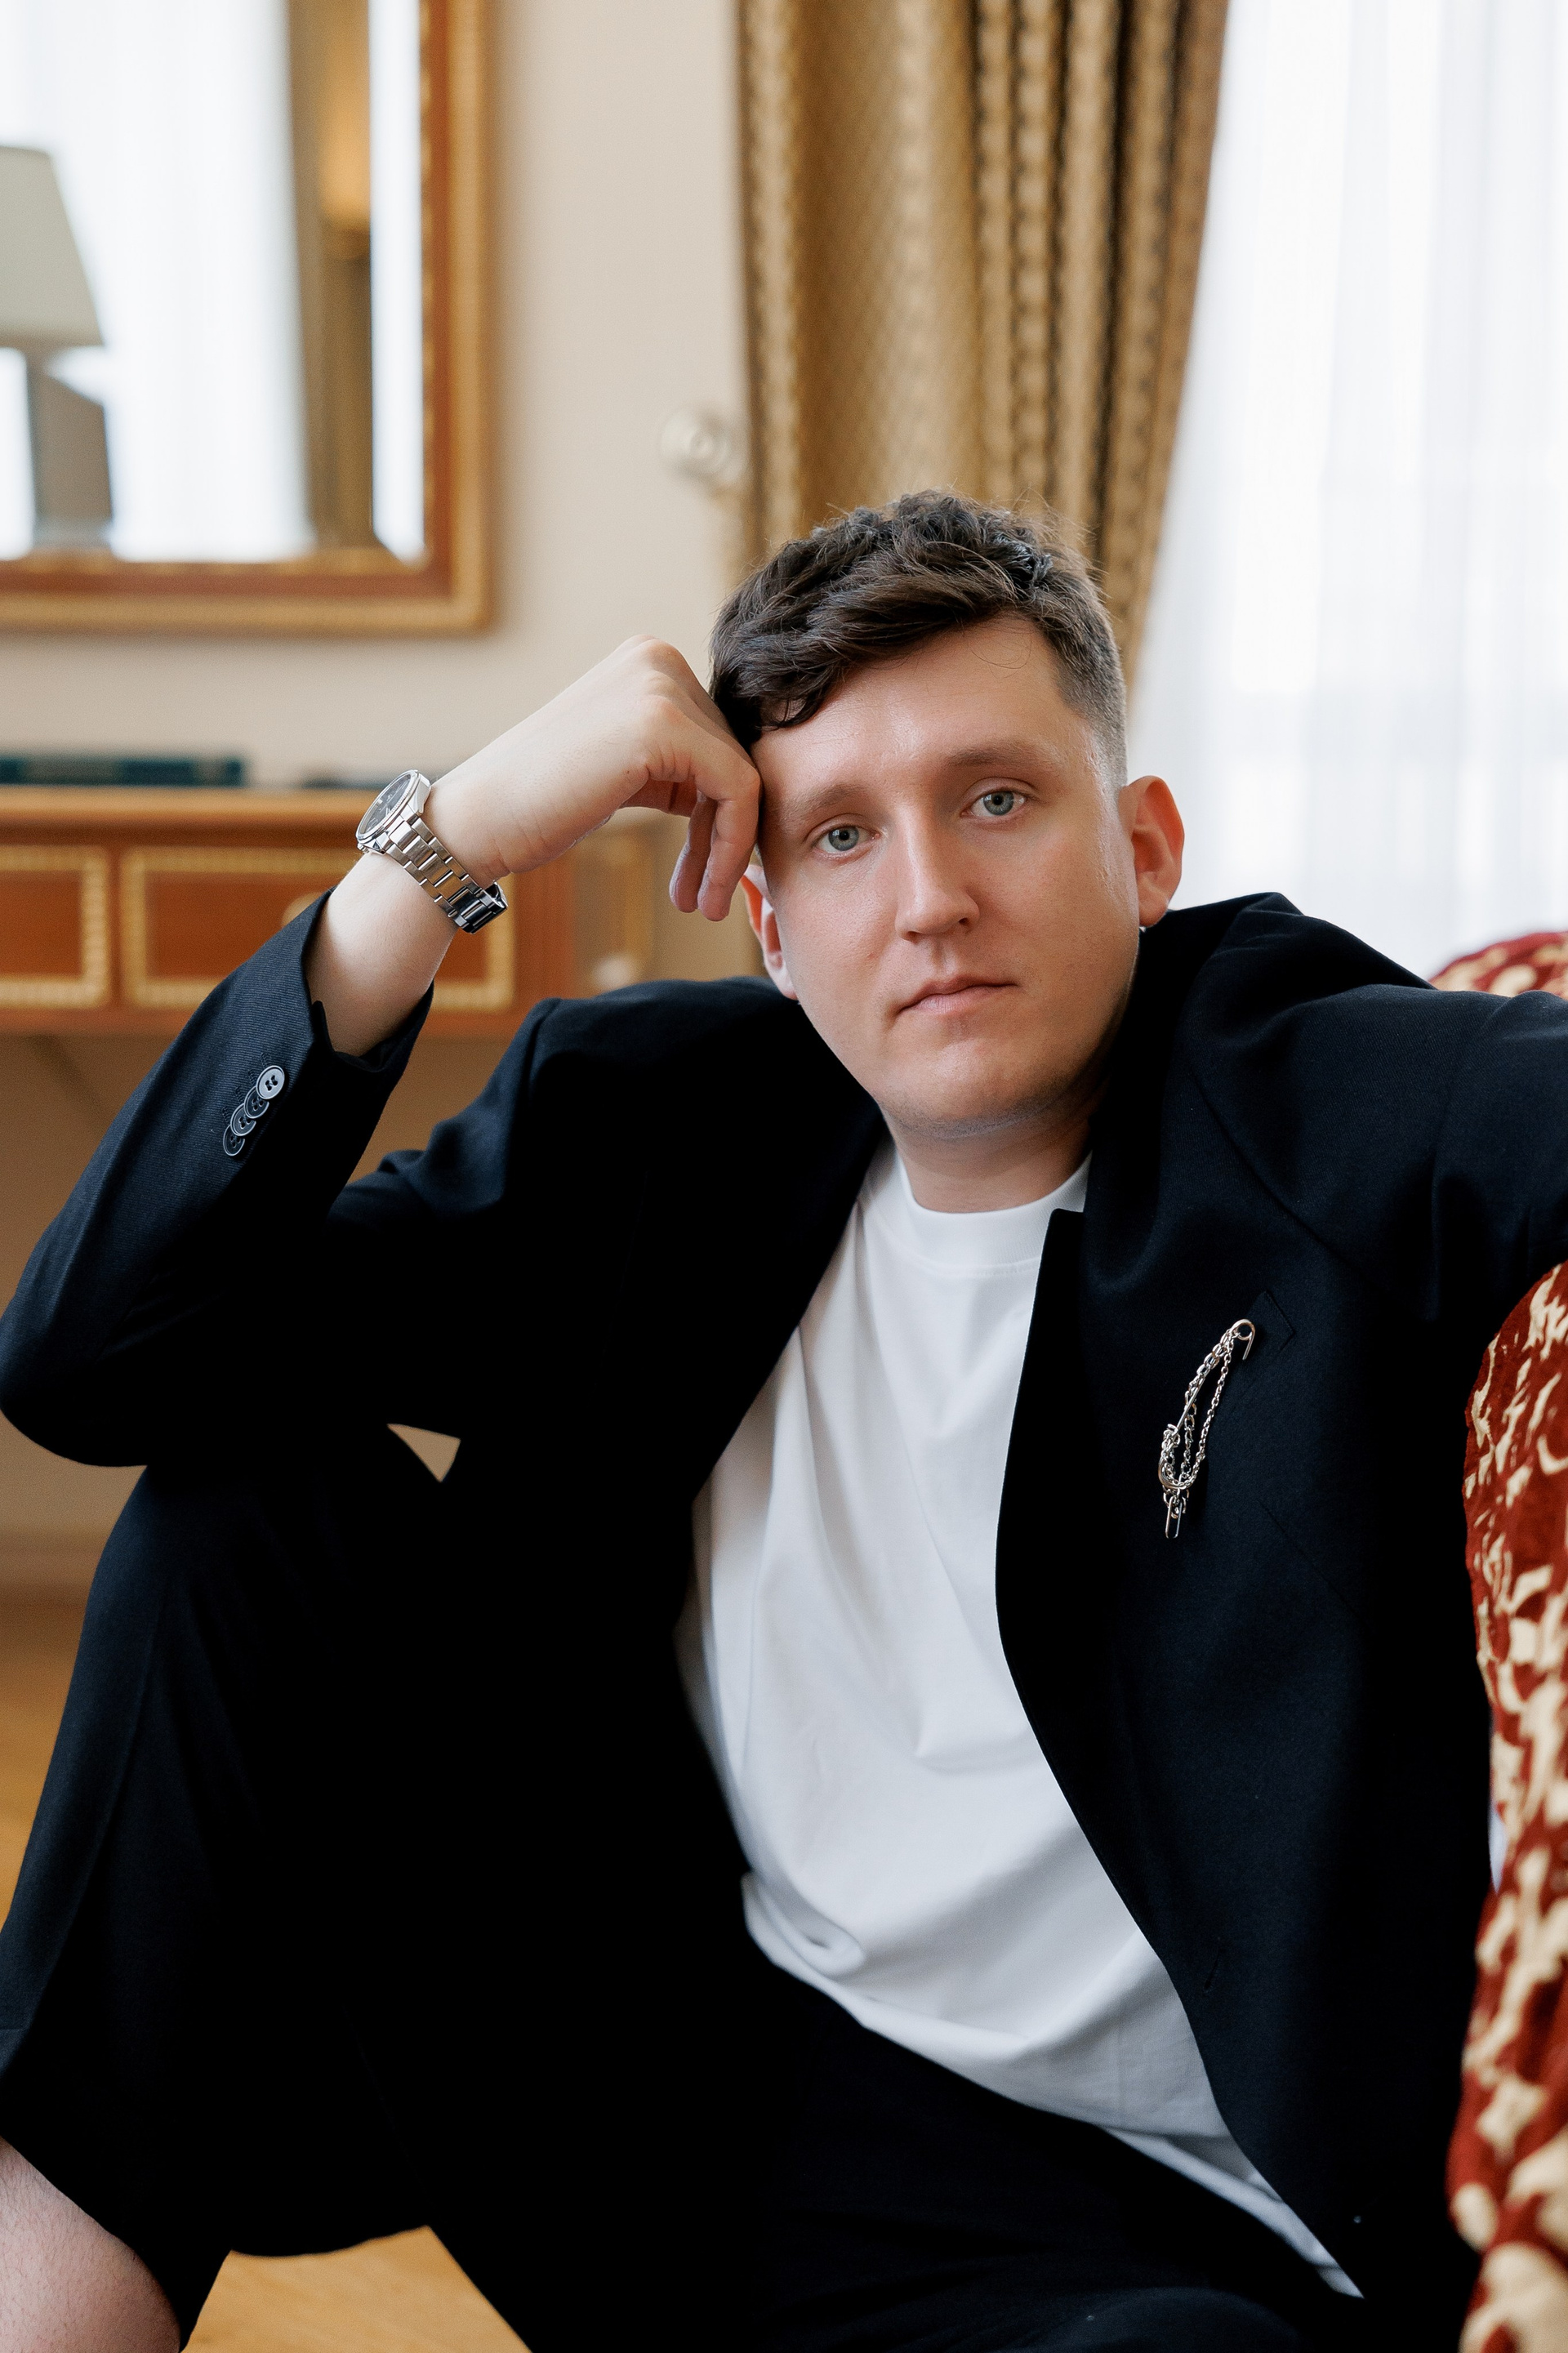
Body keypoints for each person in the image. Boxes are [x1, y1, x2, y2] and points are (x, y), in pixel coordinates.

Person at [0, 492, 1547, 2353]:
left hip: (1143, 2232)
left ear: (1143, 849)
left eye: (997, 797)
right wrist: (449, 839)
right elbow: (91, 1359)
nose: (929, 896)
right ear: (771, 923)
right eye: (840, 834)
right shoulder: (662, 1130)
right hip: (673, 2084)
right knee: (232, 1513)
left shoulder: (1311, 1087)